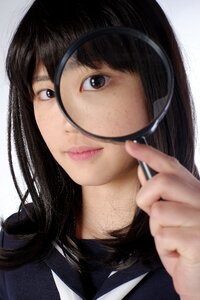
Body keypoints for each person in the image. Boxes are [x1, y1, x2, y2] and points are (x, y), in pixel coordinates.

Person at [0, 0, 200, 299]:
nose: (69, 122)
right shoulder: (12, 249)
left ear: (156, 85)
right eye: (48, 92)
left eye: (95, 81)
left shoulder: (193, 249)